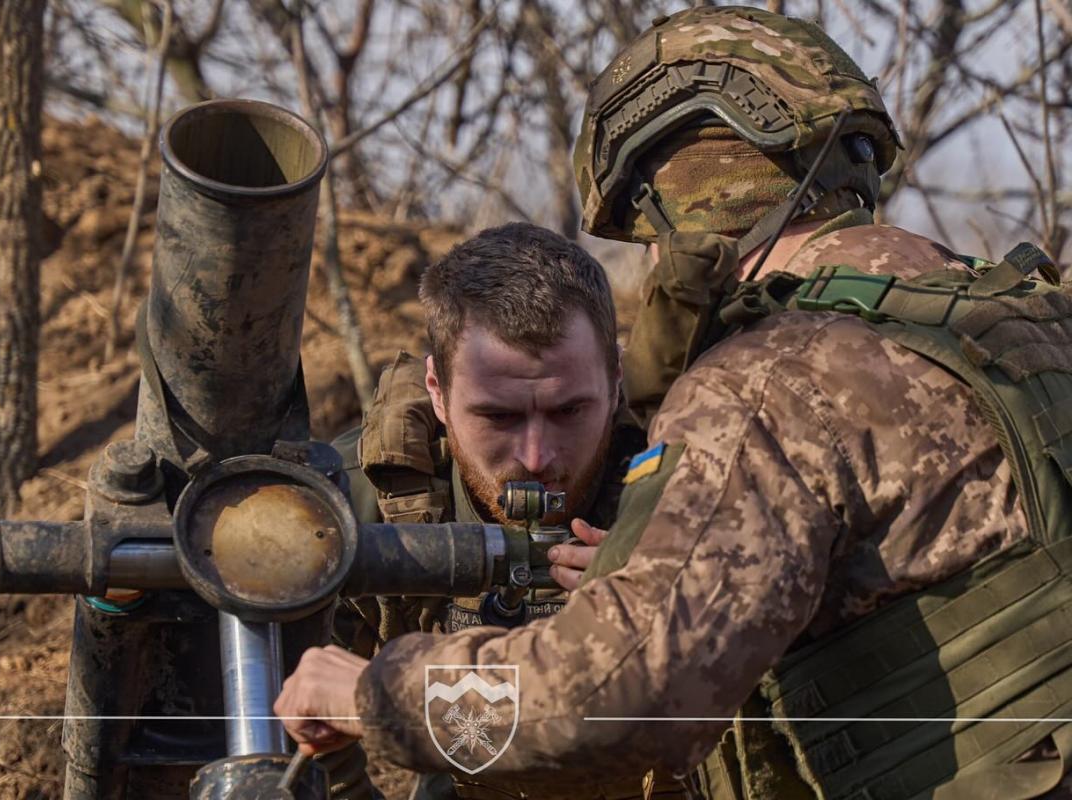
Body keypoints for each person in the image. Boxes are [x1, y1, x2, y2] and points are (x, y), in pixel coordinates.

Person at [279, 7, 1072, 800]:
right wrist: (657, 573)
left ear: (684, 218)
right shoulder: (1029, 320)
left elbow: (615, 705)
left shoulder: (770, 379)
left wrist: (377, 694)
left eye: (649, 238)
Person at [327, 221, 647, 799]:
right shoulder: (358, 498)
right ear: (437, 392)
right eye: (498, 418)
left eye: (570, 411)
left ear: (617, 380)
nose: (535, 457)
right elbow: (289, 719)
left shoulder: (694, 483)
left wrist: (672, 606)